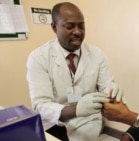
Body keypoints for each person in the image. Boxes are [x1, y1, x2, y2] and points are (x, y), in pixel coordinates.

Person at [26, 2, 124, 141]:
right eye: (70, 26)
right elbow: (40, 105)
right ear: (54, 27)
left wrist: (111, 90)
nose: (77, 32)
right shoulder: (38, 58)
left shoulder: (97, 54)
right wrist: (76, 109)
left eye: (81, 26)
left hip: (88, 121)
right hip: (55, 125)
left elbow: (106, 86)